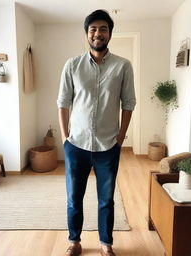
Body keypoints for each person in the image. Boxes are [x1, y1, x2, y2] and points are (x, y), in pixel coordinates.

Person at [57, 9, 136, 256]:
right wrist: (64, 138)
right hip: (76, 144)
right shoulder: (72, 65)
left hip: (107, 146)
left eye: (103, 29)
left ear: (109, 33)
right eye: (93, 29)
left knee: (106, 200)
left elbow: (129, 103)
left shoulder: (123, 66)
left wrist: (120, 138)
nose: (98, 33)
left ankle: (106, 244)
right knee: (74, 198)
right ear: (87, 34)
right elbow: (63, 102)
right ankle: (74, 241)